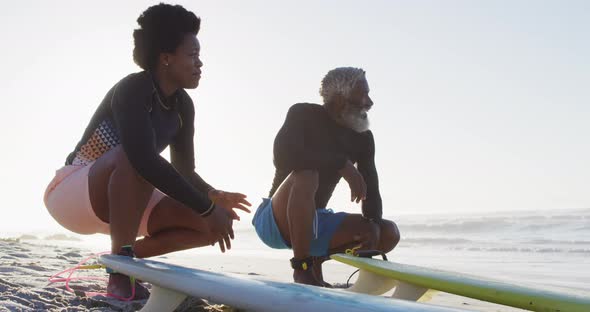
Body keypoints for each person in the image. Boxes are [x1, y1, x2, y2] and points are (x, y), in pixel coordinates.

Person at [43, 3, 251, 299]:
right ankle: (120, 271)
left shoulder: (182, 106)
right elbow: (141, 158)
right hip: (75, 193)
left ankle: (122, 258)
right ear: (166, 58)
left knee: (215, 224)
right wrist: (205, 208)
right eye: (192, 55)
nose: (200, 64)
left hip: (129, 199)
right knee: (137, 160)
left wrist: (212, 196)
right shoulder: (134, 88)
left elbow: (183, 171)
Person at [252, 67, 400, 286]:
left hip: (316, 221)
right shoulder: (303, 114)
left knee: (388, 231)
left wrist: (373, 230)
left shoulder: (363, 138)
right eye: (363, 94)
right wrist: (342, 164)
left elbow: (372, 190)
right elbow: (283, 157)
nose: (370, 102)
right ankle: (302, 268)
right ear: (341, 100)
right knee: (306, 174)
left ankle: (316, 259)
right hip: (274, 221)